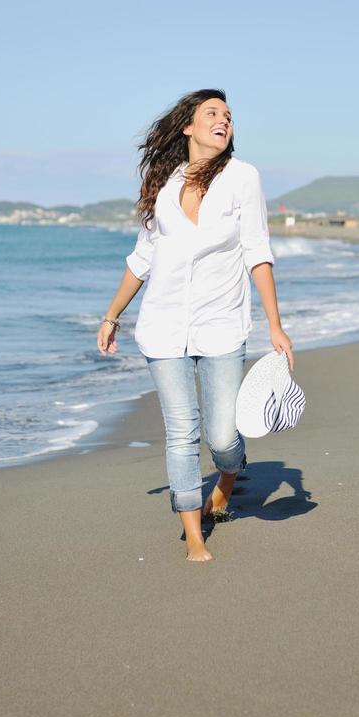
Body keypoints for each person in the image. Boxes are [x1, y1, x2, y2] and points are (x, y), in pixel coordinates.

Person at [97, 89, 294, 562]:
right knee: (181, 430)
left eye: (228, 115)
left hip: (223, 325)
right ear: (187, 126)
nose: (223, 120)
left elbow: (257, 251)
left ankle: (229, 475)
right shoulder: (163, 185)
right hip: (162, 328)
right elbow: (142, 259)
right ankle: (195, 535)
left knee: (223, 437)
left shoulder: (243, 178)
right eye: (212, 113)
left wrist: (276, 325)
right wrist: (111, 315)